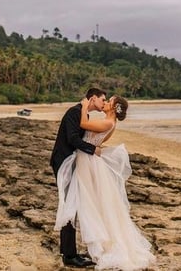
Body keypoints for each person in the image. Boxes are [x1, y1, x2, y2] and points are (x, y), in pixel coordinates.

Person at [54, 95, 156, 271]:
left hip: (87, 162)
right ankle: (72, 251)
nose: (106, 102)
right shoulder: (109, 122)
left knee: (86, 202)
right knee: (87, 202)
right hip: (87, 160)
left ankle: (76, 251)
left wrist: (84, 105)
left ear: (115, 107)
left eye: (109, 101)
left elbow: (84, 124)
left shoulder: (108, 122)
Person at [50, 87, 107, 268]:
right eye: (102, 99)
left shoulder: (83, 114)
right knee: (70, 206)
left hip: (71, 162)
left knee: (72, 205)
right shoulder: (74, 112)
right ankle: (69, 255)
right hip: (63, 162)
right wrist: (93, 149)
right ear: (93, 98)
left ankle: (69, 252)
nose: (104, 103)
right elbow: (73, 139)